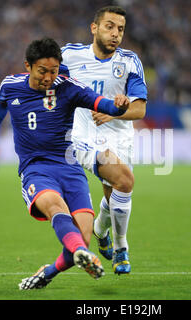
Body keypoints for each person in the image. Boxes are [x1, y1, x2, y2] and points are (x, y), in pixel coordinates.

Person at [0, 37, 129, 289]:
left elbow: (103, 104)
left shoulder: (68, 87)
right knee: (56, 206)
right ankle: (80, 252)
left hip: (70, 169)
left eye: (54, 71)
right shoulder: (10, 85)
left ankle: (48, 272)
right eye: (42, 71)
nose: (48, 77)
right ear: (28, 66)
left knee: (81, 240)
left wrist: (119, 106)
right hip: (36, 169)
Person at [60, 5, 147, 275]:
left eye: (120, 29)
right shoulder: (69, 56)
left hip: (120, 137)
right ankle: (121, 247)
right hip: (83, 136)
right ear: (94, 28)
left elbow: (140, 110)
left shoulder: (130, 61)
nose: (115, 34)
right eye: (109, 26)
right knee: (125, 180)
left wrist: (114, 111)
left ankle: (100, 229)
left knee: (115, 193)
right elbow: (49, 87)